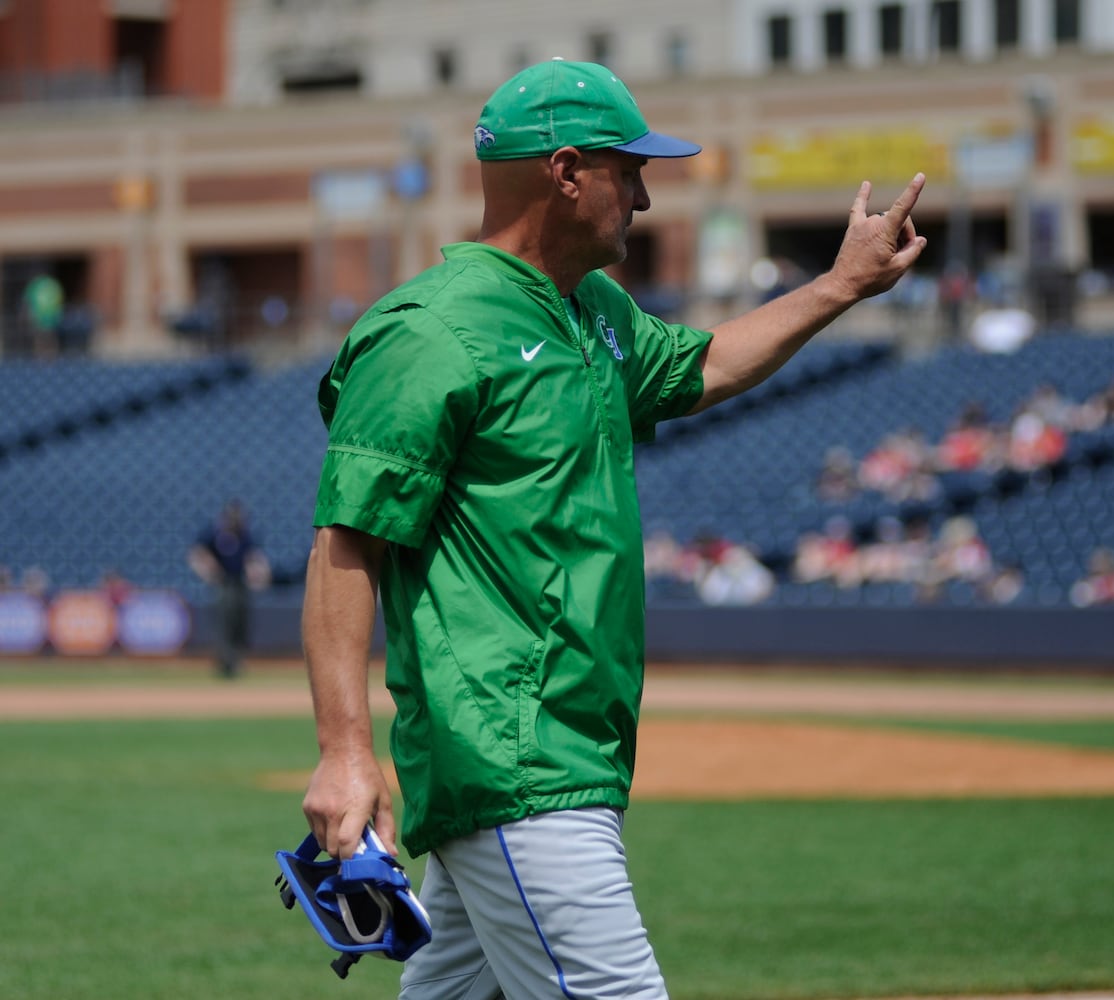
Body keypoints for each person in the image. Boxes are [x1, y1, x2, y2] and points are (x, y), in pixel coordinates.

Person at [299, 58, 927, 999]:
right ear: (563, 174)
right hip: (517, 755)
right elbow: (345, 544)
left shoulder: (592, 312)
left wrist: (838, 286)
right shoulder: (426, 333)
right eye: (625, 169)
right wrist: (347, 752)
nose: (641, 194)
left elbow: (702, 367)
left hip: (562, 751)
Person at [187, 499, 271, 678]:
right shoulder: (215, 534)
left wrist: (257, 574)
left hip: (239, 583)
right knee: (224, 622)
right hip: (223, 584)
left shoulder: (244, 535)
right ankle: (224, 661)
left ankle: (237, 659)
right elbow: (197, 552)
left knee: (240, 622)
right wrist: (208, 570)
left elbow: (254, 558)